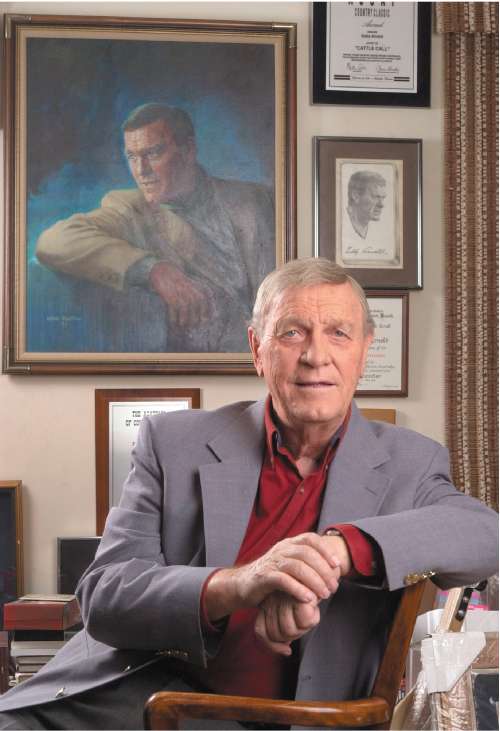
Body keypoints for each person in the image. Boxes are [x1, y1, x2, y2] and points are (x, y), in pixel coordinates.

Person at [0, 258, 497, 730]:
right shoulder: (172, 443)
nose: (315, 356)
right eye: (292, 332)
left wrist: (338, 549)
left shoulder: (411, 462)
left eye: (338, 333)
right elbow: (105, 598)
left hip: (290, 719)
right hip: (127, 700)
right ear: (257, 348)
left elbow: (485, 535)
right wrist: (242, 583)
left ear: (364, 351)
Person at [35, 103, 275, 353]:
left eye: (153, 153)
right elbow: (52, 242)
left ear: (188, 150)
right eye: (132, 157)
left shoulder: (256, 200)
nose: (141, 171)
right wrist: (152, 269)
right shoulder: (129, 209)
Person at [346, 171, 387, 240]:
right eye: (375, 197)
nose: (381, 205)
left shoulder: (379, 233)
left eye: (383, 198)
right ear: (356, 196)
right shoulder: (341, 225)